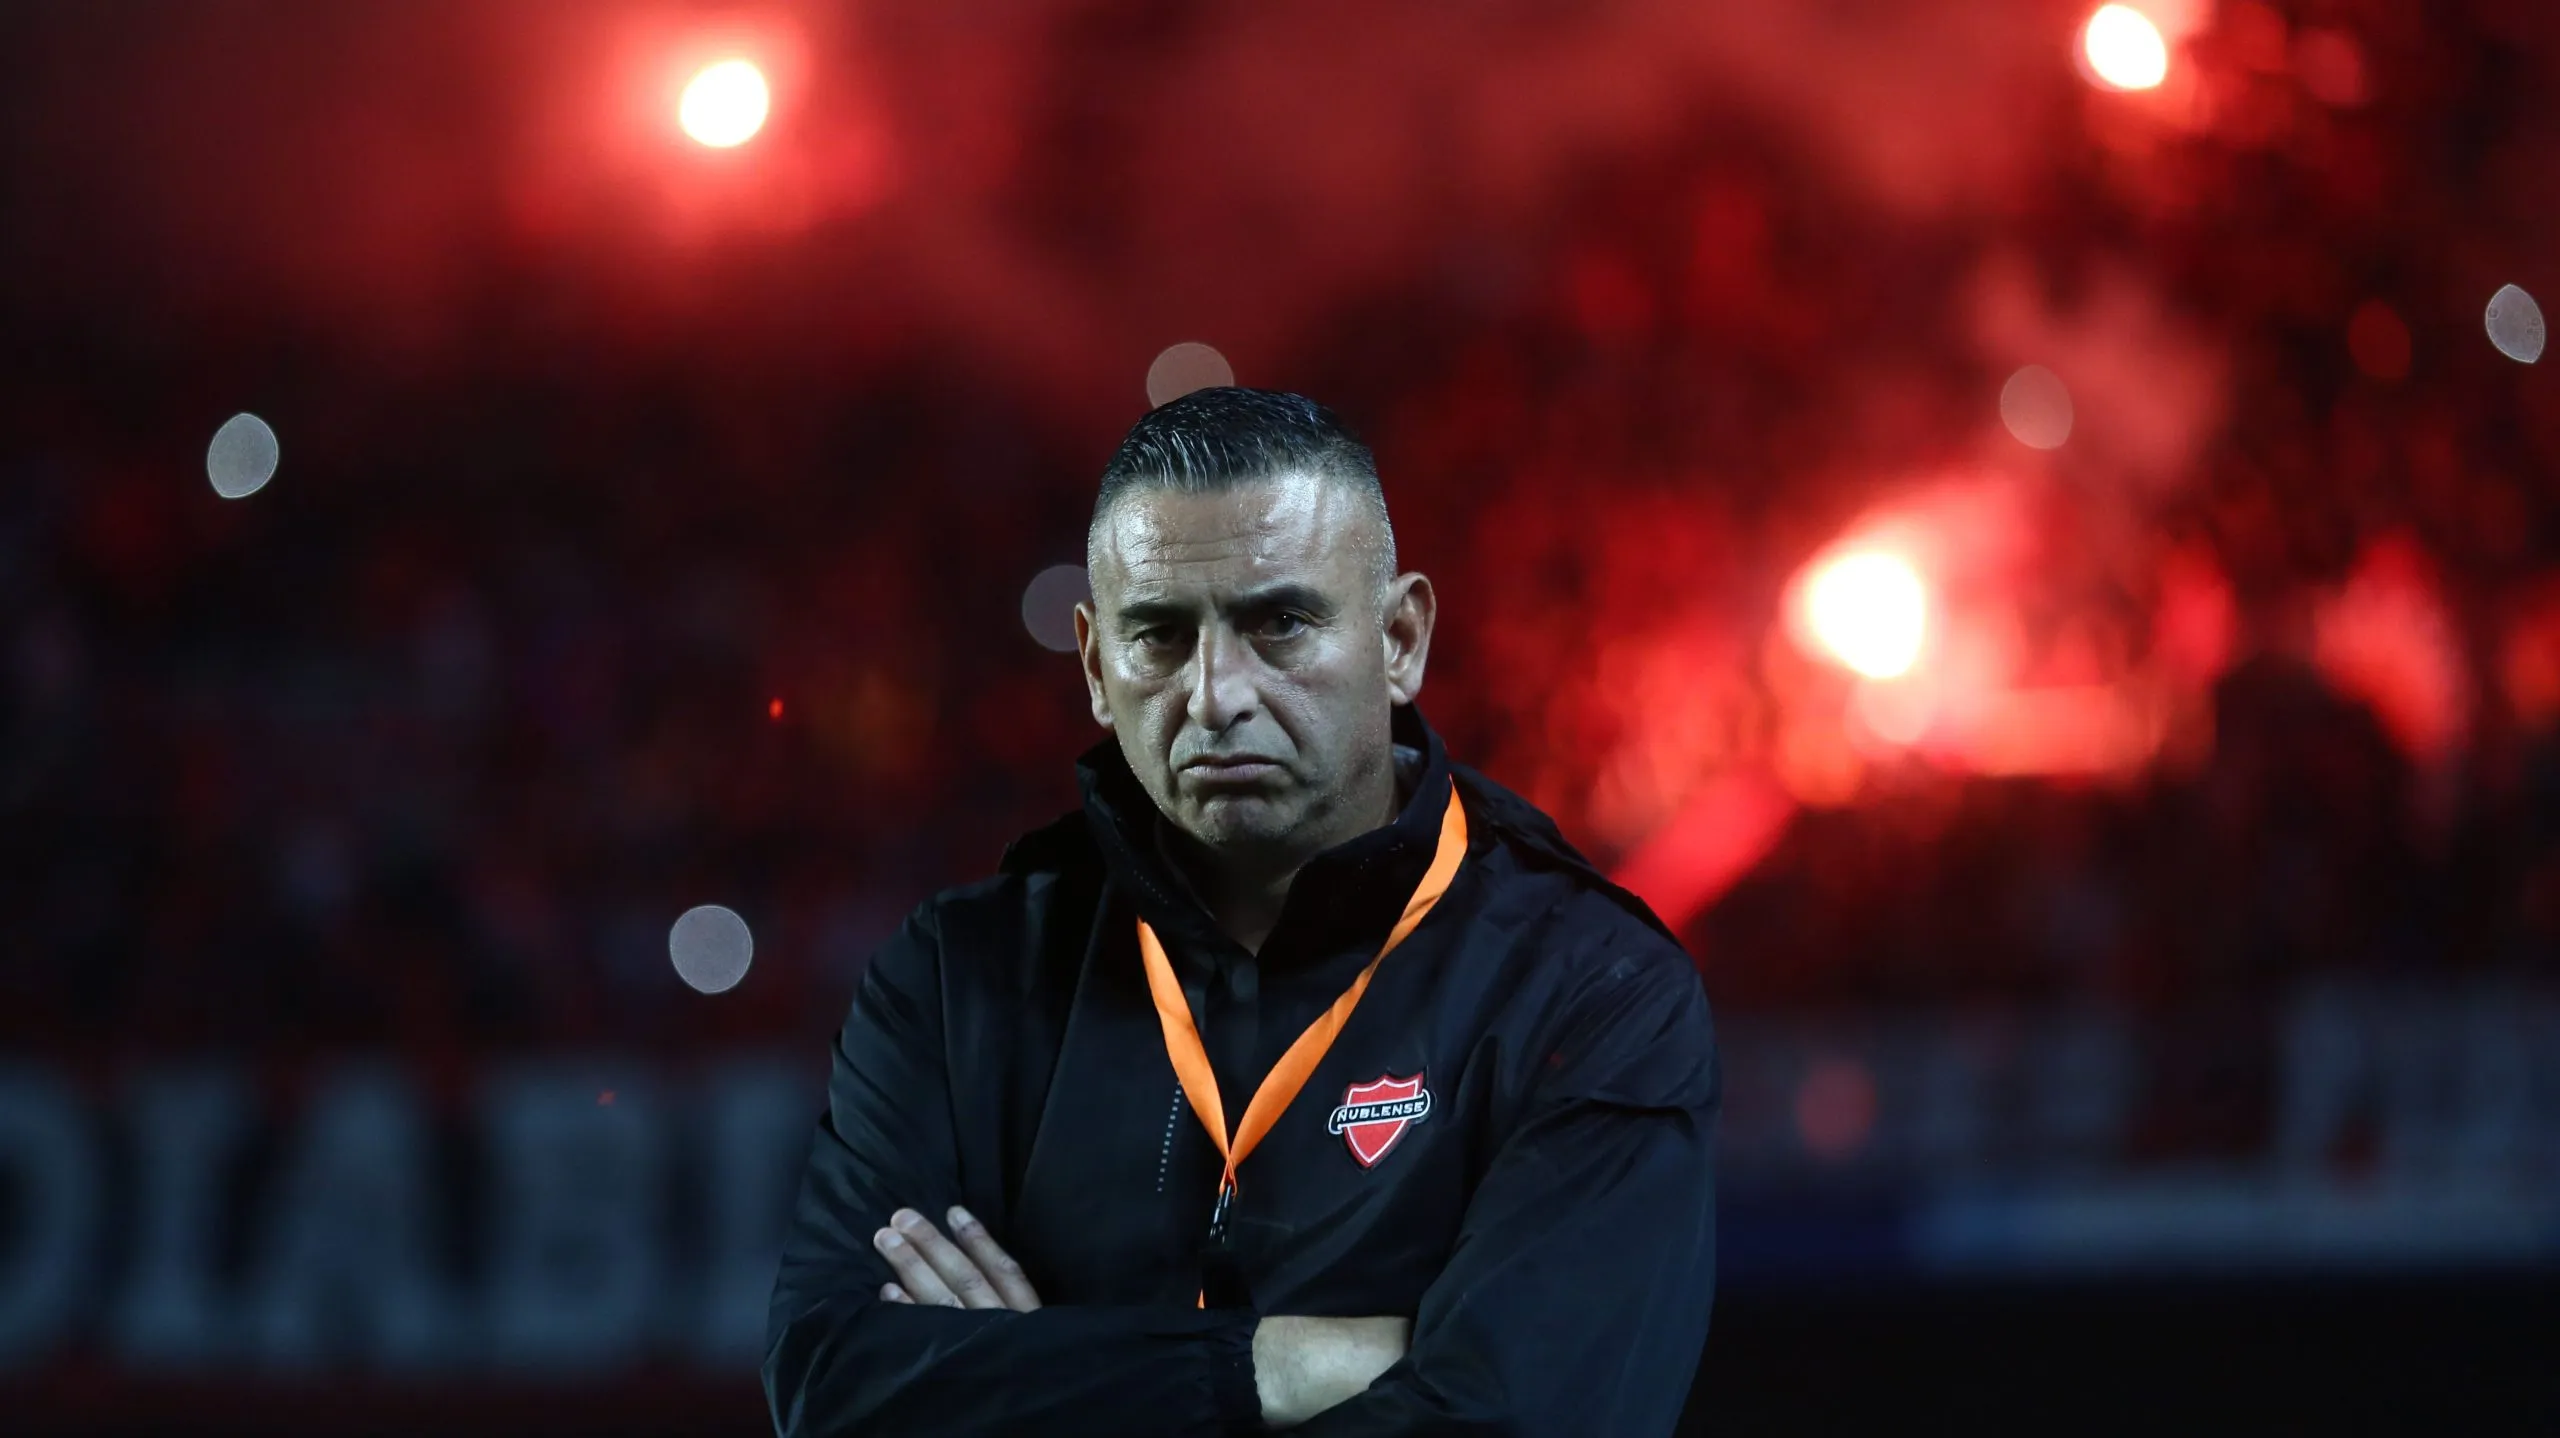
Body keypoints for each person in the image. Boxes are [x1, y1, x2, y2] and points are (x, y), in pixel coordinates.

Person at [763, 387, 1719, 1435]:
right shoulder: (956, 976)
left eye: (1281, 624)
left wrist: (1031, 1382)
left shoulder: (1589, 988)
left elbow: (1525, 1421)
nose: (1216, 694)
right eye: (1160, 638)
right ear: (1093, 664)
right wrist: (1278, 1364)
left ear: (1400, 639)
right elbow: (832, 1387)